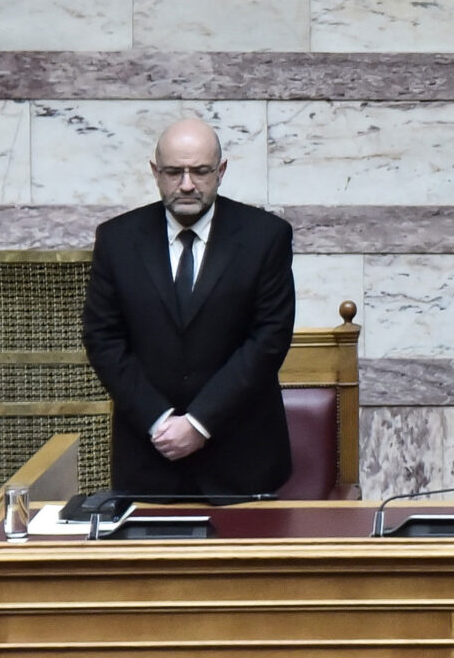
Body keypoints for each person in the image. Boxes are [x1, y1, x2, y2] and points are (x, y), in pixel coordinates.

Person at [79, 118, 297, 499]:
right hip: (149, 461)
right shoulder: (117, 239)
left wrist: (199, 423)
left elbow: (268, 340)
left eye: (199, 171)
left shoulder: (265, 237)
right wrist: (160, 420)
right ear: (154, 172)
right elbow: (103, 339)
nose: (186, 184)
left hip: (243, 463)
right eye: (173, 172)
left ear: (221, 171)